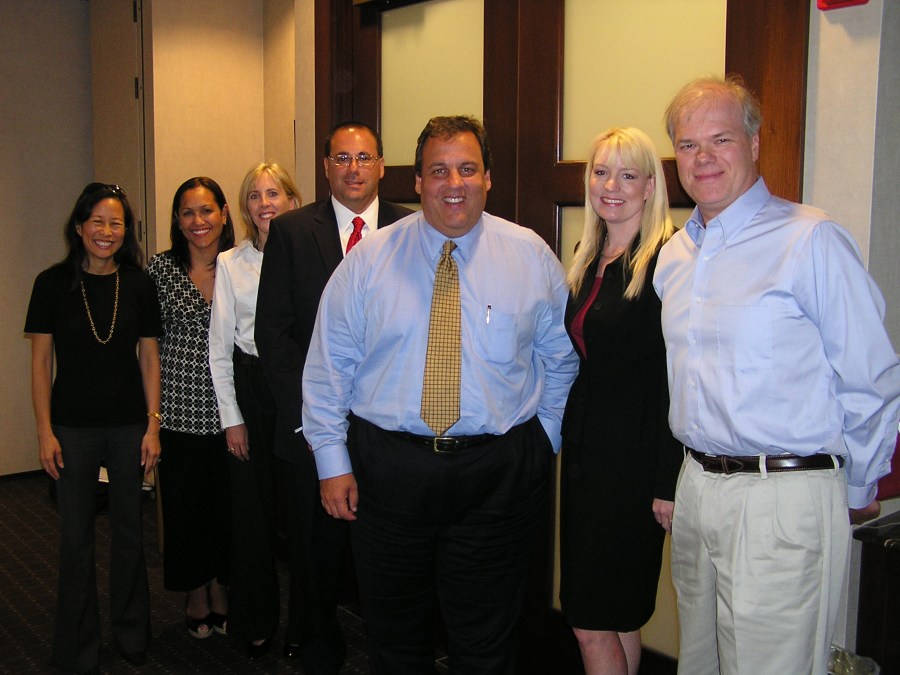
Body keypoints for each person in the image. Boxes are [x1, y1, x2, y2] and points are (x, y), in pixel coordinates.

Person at [302, 115, 579, 674]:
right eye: (438, 170)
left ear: (488, 178)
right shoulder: (368, 262)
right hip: (389, 473)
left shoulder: (530, 256)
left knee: (486, 640)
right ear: (418, 182)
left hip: (495, 478)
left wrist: (541, 439)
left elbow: (561, 356)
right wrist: (332, 463)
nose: (454, 182)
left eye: (467, 169)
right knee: (394, 636)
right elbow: (328, 367)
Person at [653, 75, 900, 674]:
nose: (703, 158)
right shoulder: (674, 256)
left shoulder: (810, 239)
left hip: (782, 495)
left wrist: (859, 488)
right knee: (701, 664)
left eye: (721, 139)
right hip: (699, 489)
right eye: (688, 145)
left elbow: (872, 377)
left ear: (756, 142)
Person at [255, 122, 412, 673]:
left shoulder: (410, 226)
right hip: (312, 426)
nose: (353, 169)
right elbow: (272, 333)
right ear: (325, 167)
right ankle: (318, 646)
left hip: (389, 428)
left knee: (388, 553)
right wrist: (316, 414)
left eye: (364, 158)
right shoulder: (295, 232)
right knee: (315, 553)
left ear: (381, 165)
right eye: (341, 158)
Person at [559, 127, 681, 675]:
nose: (611, 186)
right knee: (620, 616)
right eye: (601, 172)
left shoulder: (668, 261)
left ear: (651, 186)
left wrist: (665, 482)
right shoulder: (591, 256)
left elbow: (675, 381)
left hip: (632, 471)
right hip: (590, 459)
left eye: (628, 175)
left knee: (589, 619)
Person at [25, 183, 160, 673]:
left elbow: (149, 357)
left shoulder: (139, 284)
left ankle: (131, 634)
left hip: (129, 426)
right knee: (74, 540)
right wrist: (44, 431)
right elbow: (41, 364)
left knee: (129, 535)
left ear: (126, 231)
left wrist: (153, 425)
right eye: (97, 222)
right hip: (72, 429)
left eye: (116, 223)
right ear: (79, 227)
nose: (106, 232)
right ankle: (78, 647)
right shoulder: (51, 283)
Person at [209, 163, 300, 658]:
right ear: (244, 208)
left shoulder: (310, 255)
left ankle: (307, 627)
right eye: (254, 196)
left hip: (299, 391)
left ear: (291, 199)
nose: (265, 203)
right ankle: (257, 622)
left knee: (304, 519)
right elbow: (219, 349)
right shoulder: (231, 263)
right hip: (250, 389)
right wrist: (233, 420)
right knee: (253, 519)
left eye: (274, 193)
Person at [147, 176, 235, 642]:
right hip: (178, 414)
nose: (198, 221)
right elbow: (149, 350)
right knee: (185, 513)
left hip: (230, 416)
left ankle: (222, 586)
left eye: (207, 210)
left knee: (226, 510)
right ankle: (195, 593)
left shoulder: (242, 266)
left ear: (224, 213)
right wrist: (152, 421)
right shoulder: (159, 271)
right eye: (187, 212)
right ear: (177, 222)